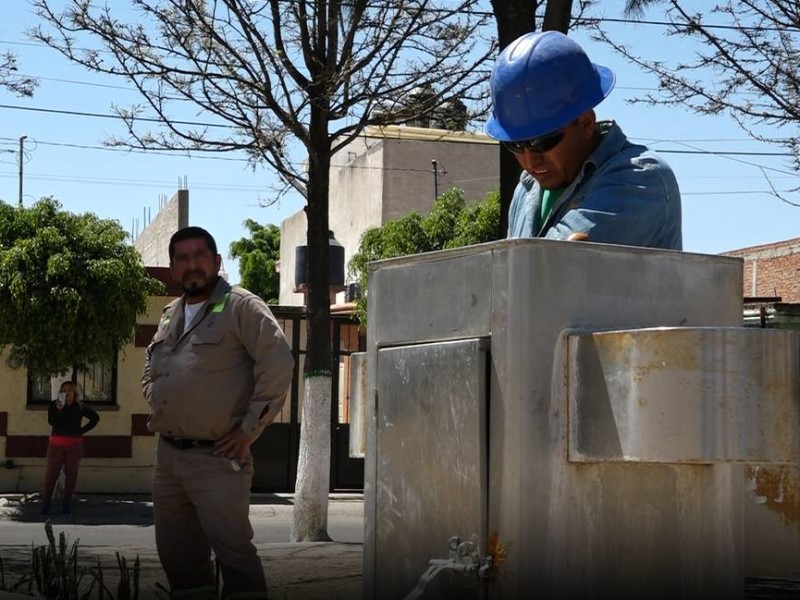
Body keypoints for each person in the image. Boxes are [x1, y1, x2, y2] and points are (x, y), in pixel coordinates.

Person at [142, 226, 294, 600]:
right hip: (169, 459)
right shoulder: (169, 314)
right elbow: (152, 365)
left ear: (216, 261)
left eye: (199, 256)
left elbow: (278, 362)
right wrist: (154, 392)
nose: (191, 265)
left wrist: (249, 430)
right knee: (180, 561)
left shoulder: (241, 305)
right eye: (182, 258)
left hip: (219, 456)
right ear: (174, 268)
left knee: (235, 558)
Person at [486, 30, 682, 249]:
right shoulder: (525, 190)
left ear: (586, 123)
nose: (530, 161)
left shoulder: (641, 179)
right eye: (515, 145)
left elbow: (546, 268)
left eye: (542, 143)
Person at [41, 380, 100, 516]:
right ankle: (45, 506)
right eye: (64, 390)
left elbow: (95, 418)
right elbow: (52, 422)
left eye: (69, 390)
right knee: (51, 474)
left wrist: (81, 431)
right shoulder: (54, 405)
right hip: (56, 444)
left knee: (71, 475)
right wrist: (60, 410)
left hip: (74, 444)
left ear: (74, 393)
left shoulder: (79, 406)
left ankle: (66, 505)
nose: (67, 393)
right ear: (60, 393)